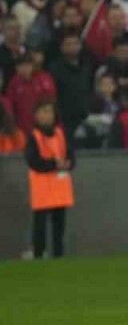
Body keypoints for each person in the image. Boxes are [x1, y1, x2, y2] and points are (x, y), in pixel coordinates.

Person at [26, 99, 74, 258]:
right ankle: (38, 254)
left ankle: (58, 255)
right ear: (36, 115)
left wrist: (69, 163)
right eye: (43, 111)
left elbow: (70, 155)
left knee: (59, 226)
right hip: (42, 187)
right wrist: (54, 164)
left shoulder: (60, 133)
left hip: (60, 187)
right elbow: (33, 161)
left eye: (49, 111)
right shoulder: (34, 136)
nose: (47, 115)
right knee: (40, 226)